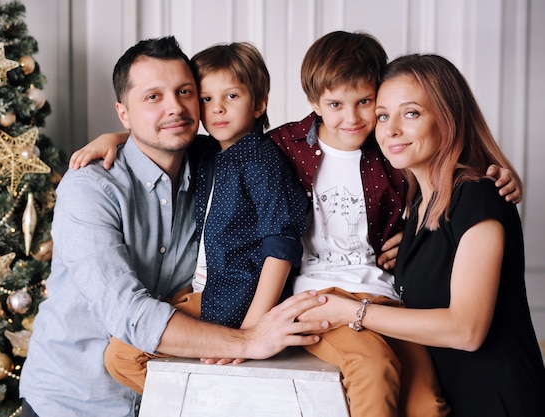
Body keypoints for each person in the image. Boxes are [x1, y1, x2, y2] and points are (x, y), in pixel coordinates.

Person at [72, 31, 522, 417]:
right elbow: (184, 141)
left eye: (368, 104)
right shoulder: (279, 146)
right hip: (299, 297)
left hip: (375, 296)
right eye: (335, 103)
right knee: (125, 354)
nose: (354, 117)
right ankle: (235, 401)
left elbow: (442, 157)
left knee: (421, 399)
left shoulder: (389, 150)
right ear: (314, 103)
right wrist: (120, 137)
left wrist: (494, 172)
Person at [18, 36, 326, 417]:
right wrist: (247, 341)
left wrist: (394, 225)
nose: (175, 108)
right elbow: (129, 313)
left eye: (184, 92)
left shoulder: (215, 163)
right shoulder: (89, 190)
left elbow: (281, 162)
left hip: (168, 398)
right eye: (153, 97)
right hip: (75, 403)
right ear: (124, 113)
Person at [298, 53, 545, 417]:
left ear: (448, 117)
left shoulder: (478, 195)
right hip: (447, 401)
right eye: (383, 115)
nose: (390, 129)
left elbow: (466, 330)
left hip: (497, 403)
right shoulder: (415, 206)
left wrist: (351, 312)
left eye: (411, 113)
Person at [102, 41, 309, 394]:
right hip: (204, 288)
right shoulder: (210, 151)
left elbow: (282, 243)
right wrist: (114, 137)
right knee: (125, 351)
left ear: (259, 103)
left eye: (231, 96)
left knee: (122, 356)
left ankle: (210, 401)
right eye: (207, 99)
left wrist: (252, 329)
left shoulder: (261, 160)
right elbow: (157, 135)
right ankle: (208, 398)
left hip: (236, 298)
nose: (218, 110)